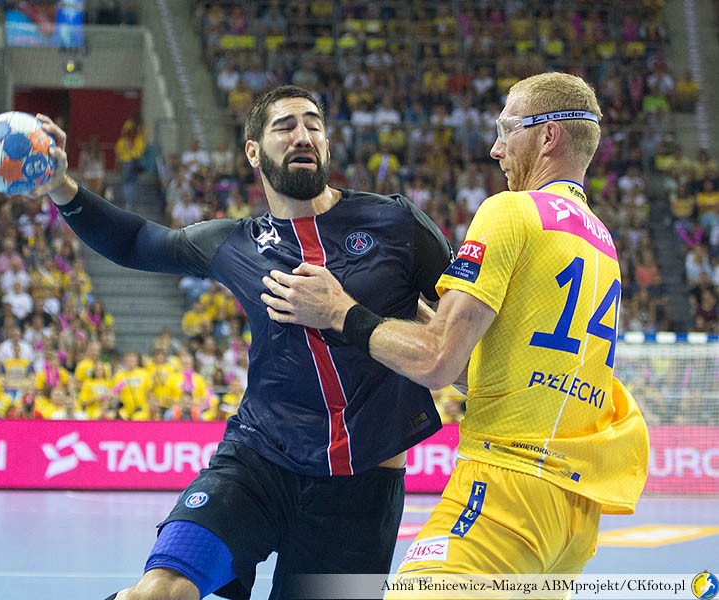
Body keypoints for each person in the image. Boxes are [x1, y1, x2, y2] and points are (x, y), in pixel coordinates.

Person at [31, 84, 452, 600]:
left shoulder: (396, 223)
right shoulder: (236, 242)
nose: (303, 135)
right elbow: (139, 241)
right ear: (253, 151)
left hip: (362, 491)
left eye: (313, 124)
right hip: (257, 463)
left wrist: (349, 314)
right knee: (160, 591)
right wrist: (61, 187)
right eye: (285, 127)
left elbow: (461, 335)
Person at [262, 73, 650, 581]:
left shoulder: (510, 212)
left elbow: (437, 362)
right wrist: (408, 311)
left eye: (506, 129)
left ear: (548, 136)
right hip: (574, 515)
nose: (495, 148)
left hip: (506, 484)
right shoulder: (602, 243)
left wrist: (339, 311)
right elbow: (485, 369)